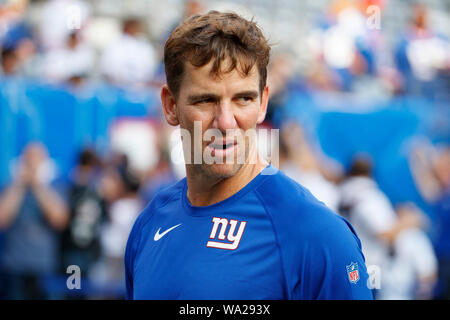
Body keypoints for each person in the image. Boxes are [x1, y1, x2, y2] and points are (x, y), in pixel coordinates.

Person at [125, 11, 373, 300]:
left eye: (243, 98)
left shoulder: (317, 235)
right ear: (170, 106)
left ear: (263, 102)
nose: (226, 121)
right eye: (206, 100)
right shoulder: (150, 223)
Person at [0, 143, 69, 299]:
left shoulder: (56, 186)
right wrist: (19, 185)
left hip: (44, 265)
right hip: (14, 265)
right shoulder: (9, 186)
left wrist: (38, 186)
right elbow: (3, 219)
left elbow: (59, 219)